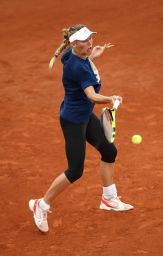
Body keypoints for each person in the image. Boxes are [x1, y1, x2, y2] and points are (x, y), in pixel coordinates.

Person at [29, 24, 133, 233]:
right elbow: (92, 96)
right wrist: (111, 99)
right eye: (85, 41)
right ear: (75, 43)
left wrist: (92, 56)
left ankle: (109, 198)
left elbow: (79, 69)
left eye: (90, 39)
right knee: (75, 171)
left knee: (109, 151)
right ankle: (41, 204)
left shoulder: (71, 55)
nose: (90, 43)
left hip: (83, 115)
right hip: (74, 121)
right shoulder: (79, 66)